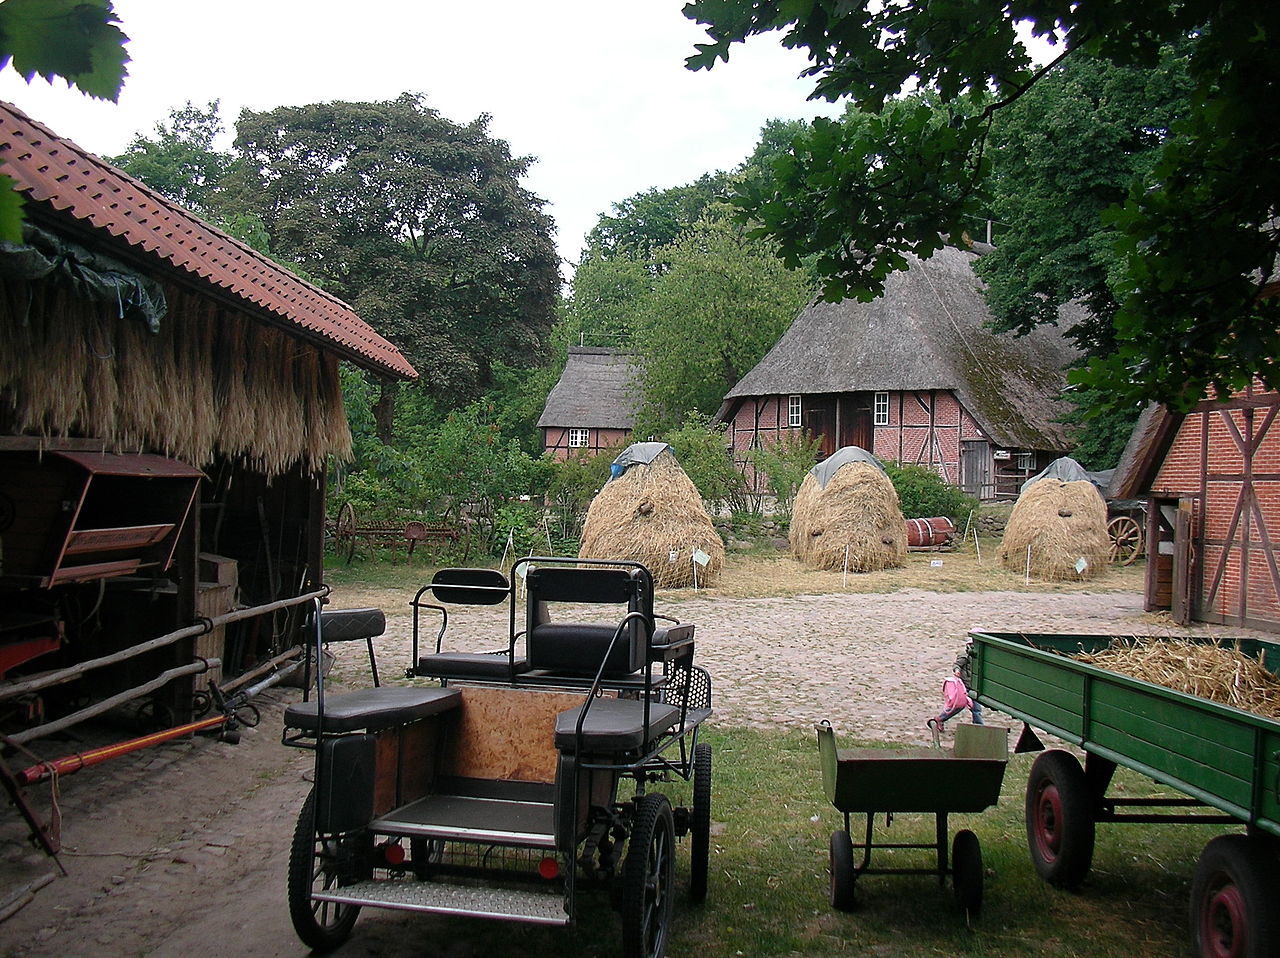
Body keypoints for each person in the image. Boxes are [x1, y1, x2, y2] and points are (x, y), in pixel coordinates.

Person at [927, 643, 984, 745]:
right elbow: (957, 665)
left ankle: (978, 727)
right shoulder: (965, 655)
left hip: (974, 687)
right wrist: (957, 671)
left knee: (974, 709)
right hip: (964, 687)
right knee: (961, 707)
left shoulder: (982, 657)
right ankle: (979, 728)